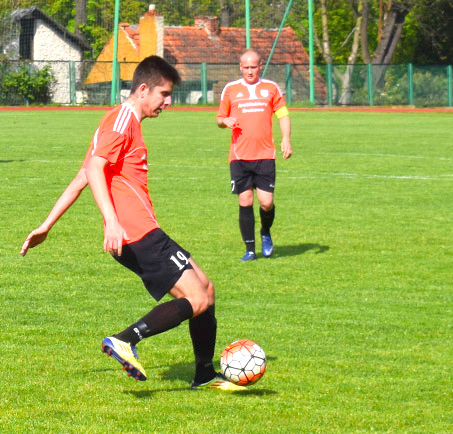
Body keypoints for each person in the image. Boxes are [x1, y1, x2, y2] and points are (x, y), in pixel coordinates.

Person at [20, 56, 245, 391]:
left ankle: (203, 374)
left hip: (141, 230)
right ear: (143, 89)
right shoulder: (121, 119)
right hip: (135, 232)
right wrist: (111, 222)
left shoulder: (125, 121)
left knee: (206, 290)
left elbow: (83, 174)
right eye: (164, 94)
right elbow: (95, 170)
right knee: (196, 299)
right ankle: (125, 340)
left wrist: (47, 225)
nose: (168, 102)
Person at [217, 49, 293, 261]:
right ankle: (250, 250)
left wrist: (286, 138)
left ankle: (265, 232)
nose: (250, 71)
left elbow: (283, 115)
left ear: (260, 66)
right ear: (240, 67)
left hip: (265, 154)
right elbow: (219, 118)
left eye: (253, 67)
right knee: (245, 200)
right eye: (246, 67)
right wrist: (226, 122)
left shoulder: (271, 88)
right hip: (239, 156)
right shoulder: (230, 89)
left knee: (266, 202)